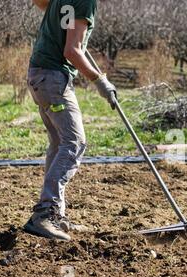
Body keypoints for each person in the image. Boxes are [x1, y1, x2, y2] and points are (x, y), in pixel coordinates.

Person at [25, 0, 117, 241]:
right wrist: (100, 81)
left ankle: (56, 214)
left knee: (58, 144)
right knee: (75, 143)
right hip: (54, 78)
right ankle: (45, 214)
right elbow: (72, 51)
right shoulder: (87, 1)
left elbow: (40, 2)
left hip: (39, 75)